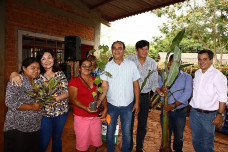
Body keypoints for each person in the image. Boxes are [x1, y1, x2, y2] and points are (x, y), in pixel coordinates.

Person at [10, 49, 69, 152]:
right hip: (43, 113)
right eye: (43, 59)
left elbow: (67, 92)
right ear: (40, 61)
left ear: (53, 59)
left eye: (49, 57)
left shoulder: (60, 74)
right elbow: (21, 73)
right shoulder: (36, 74)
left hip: (61, 112)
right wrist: (13, 74)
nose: (47, 61)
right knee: (43, 141)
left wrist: (54, 98)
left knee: (57, 138)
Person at [98, 41, 141, 152]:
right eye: (114, 48)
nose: (117, 50)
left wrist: (137, 103)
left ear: (124, 50)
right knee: (110, 130)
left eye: (120, 48)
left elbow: (136, 84)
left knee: (127, 132)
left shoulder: (131, 65)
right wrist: (99, 100)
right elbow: (104, 86)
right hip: (112, 104)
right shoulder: (106, 67)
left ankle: (125, 150)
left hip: (128, 105)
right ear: (112, 50)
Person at [126, 40, 163, 152]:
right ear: (137, 50)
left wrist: (158, 90)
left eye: (146, 49)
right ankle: (129, 146)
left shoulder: (152, 62)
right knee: (129, 123)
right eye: (142, 49)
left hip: (145, 96)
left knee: (142, 124)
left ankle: (139, 147)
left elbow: (154, 81)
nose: (144, 51)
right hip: (130, 96)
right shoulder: (129, 60)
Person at [189, 50, 227, 152]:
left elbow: (223, 97)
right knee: (196, 141)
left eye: (205, 59)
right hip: (194, 113)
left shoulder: (218, 76)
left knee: (206, 145)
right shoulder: (197, 73)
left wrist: (220, 115)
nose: (201, 62)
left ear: (211, 60)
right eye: (199, 59)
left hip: (208, 116)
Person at [68, 58, 108, 152]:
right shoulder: (74, 81)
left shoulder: (96, 80)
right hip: (81, 117)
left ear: (92, 68)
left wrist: (105, 108)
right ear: (79, 68)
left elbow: (102, 95)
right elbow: (73, 99)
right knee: (82, 146)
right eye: (84, 66)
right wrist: (86, 108)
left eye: (89, 66)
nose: (87, 68)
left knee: (96, 143)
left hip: (95, 117)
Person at [4, 57, 42, 152]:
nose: (36, 70)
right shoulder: (17, 80)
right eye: (33, 68)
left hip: (34, 127)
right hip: (18, 128)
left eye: (38, 68)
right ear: (24, 68)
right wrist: (32, 107)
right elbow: (10, 101)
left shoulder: (37, 81)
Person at [159, 54, 193, 152]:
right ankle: (166, 148)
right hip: (166, 111)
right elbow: (159, 90)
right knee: (166, 134)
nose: (176, 64)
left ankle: (178, 150)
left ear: (181, 63)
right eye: (173, 62)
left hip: (179, 111)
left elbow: (187, 93)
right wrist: (162, 89)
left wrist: (173, 105)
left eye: (178, 62)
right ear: (169, 63)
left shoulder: (187, 77)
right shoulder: (163, 75)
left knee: (179, 135)